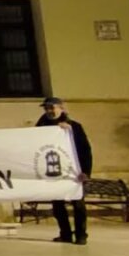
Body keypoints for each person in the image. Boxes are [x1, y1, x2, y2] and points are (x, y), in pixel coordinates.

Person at [36, 96, 92, 245]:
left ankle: (81, 235)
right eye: (46, 108)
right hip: (53, 172)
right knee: (58, 206)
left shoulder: (74, 126)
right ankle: (65, 233)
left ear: (61, 108)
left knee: (78, 205)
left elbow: (85, 149)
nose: (49, 111)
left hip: (74, 172)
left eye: (52, 107)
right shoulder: (41, 126)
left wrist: (86, 171)